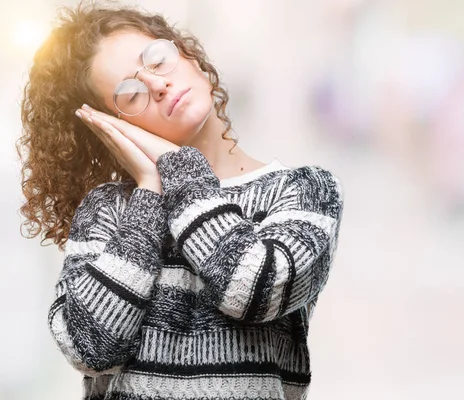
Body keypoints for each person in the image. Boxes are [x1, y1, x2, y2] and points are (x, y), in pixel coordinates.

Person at [17, 2, 345, 399]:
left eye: (157, 59)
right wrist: (149, 195)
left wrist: (175, 166)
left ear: (186, 53)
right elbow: (90, 348)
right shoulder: (109, 211)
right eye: (130, 93)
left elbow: (251, 288)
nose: (156, 85)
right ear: (115, 127)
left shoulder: (305, 190)